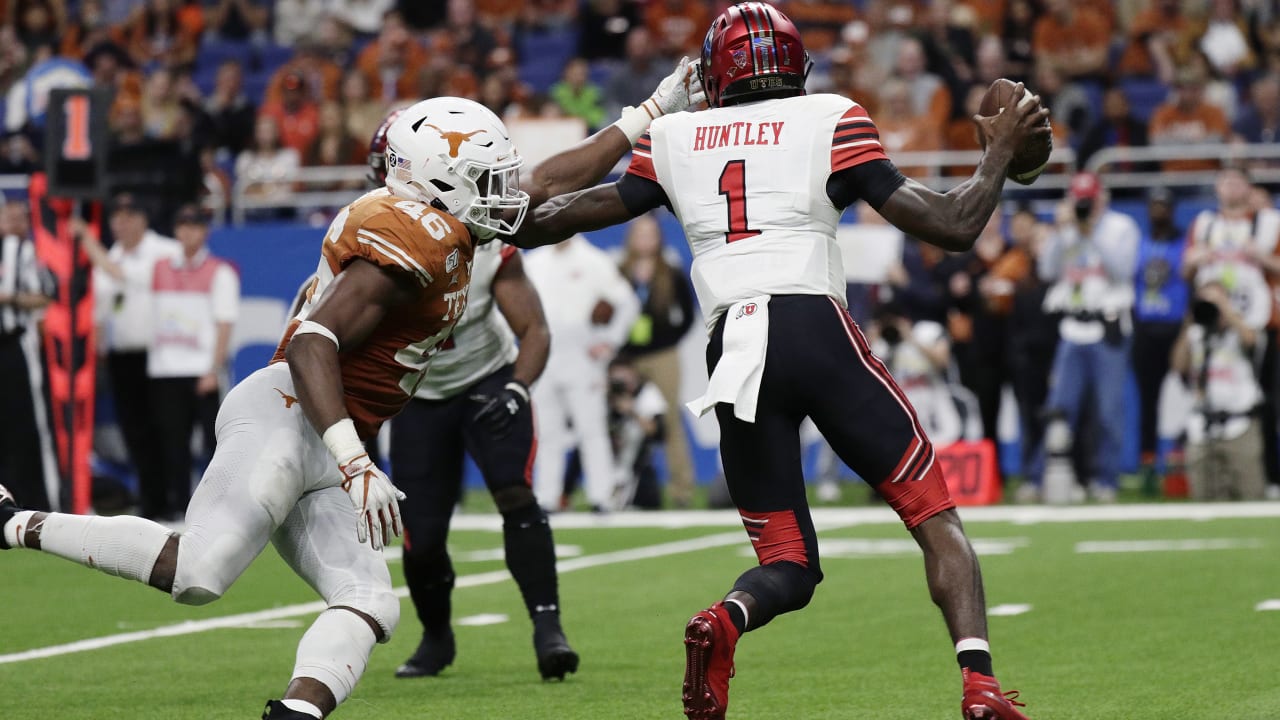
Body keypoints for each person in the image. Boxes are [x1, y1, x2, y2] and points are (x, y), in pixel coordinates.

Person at [0, 57, 699, 715]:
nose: (503, 190)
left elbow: (552, 194)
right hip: (289, 410)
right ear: (437, 181)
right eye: (487, 176)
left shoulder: (452, 224)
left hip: (337, 437)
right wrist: (356, 458)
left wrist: (652, 113)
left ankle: (298, 709)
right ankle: (14, 522)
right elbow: (313, 342)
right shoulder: (408, 234)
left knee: (370, 601)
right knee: (198, 574)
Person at [508, 4, 1044, 719]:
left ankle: (726, 620)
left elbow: (541, 213)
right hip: (812, 325)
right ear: (796, 66)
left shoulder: (672, 136)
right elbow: (952, 226)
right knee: (933, 513)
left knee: (787, 560)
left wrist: (644, 113)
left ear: (711, 74)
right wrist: (1001, 153)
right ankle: (978, 684)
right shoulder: (830, 117)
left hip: (733, 350)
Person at [368, 114, 576, 678]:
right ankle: (437, 638)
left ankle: (547, 627)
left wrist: (515, 387)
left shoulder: (486, 241)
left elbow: (534, 329)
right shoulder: (373, 248)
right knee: (424, 535)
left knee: (513, 491)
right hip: (418, 395)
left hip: (485, 377)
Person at [1029, 172, 1140, 504]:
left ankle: (1106, 479)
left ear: (1101, 198)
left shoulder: (1121, 228)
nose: (1085, 207)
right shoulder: (1066, 232)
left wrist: (1091, 233)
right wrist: (1060, 233)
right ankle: (1041, 478)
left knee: (1108, 411)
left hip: (1107, 325)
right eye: (1079, 200)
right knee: (1060, 408)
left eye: (1088, 200)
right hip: (1072, 327)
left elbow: (1122, 270)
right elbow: (1047, 271)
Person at [80, 193, 182, 519]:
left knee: (165, 427)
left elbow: (131, 278)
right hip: (121, 356)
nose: (120, 223)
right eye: (116, 217)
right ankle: (151, 501)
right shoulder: (112, 256)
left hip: (160, 355)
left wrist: (87, 242)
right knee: (134, 430)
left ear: (142, 219)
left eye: (128, 216)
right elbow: (100, 311)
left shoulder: (164, 251)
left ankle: (175, 499)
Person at [523, 234, 640, 512]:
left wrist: (610, 340)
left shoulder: (593, 260)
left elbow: (628, 303)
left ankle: (602, 496)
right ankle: (546, 497)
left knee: (591, 428)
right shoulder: (534, 260)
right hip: (544, 352)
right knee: (546, 430)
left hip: (581, 354)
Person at [146, 204, 240, 520]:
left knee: (213, 445)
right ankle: (180, 507)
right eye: (183, 225)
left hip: (201, 370)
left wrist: (213, 368)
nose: (188, 232)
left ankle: (219, 507)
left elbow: (224, 323)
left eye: (195, 226)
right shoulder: (159, 266)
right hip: (166, 369)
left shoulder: (219, 271)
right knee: (172, 443)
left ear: (204, 231)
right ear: (176, 230)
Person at [617, 214, 697, 507]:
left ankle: (681, 491)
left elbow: (688, 314)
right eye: (640, 233)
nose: (645, 240)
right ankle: (624, 491)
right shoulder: (620, 271)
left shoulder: (670, 271)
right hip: (629, 359)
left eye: (651, 233)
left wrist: (669, 338)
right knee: (626, 423)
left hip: (663, 356)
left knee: (670, 421)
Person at [1171, 279, 1269, 500]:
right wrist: (1191, 319)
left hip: (1240, 427)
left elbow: (1252, 341)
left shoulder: (1241, 331)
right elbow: (1178, 365)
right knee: (1205, 505)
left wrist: (1225, 309)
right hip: (1201, 429)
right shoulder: (1195, 335)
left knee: (1251, 498)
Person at [0, 198, 54, 511]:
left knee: (27, 429)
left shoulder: (23, 251)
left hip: (13, 345)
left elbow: (44, 295)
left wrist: (11, 298)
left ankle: (39, 504)